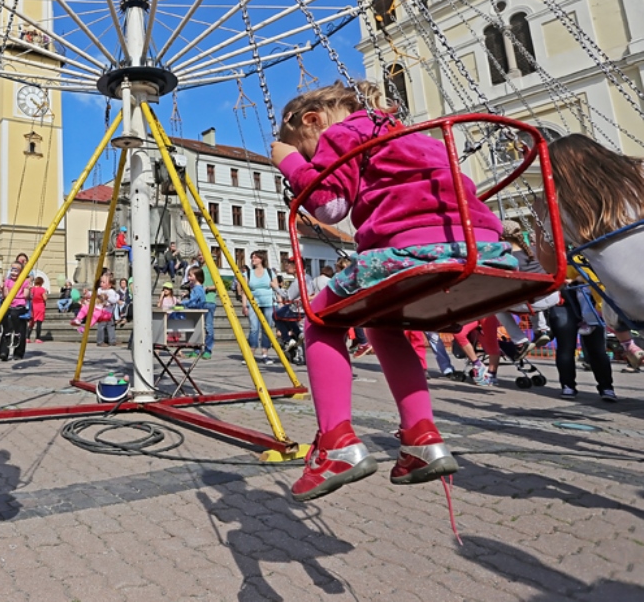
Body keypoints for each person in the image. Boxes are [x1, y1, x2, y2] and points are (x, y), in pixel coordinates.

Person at [270, 80, 517, 501]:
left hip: (411, 249)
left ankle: (336, 445)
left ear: (312, 120)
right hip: (481, 247)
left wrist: (291, 163)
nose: (314, 159)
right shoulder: (413, 137)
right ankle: (422, 439)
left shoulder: (341, 133)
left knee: (319, 320)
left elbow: (329, 205)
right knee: (383, 326)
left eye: (310, 151)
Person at [538, 133, 644, 399]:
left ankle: (628, 345)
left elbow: (550, 266)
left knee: (611, 308)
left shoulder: (560, 207)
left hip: (635, 302)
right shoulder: (638, 175)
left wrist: (541, 215)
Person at [245, 251, 278, 365]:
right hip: (253, 303)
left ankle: (265, 354)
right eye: (252, 257)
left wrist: (279, 301)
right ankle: (251, 354)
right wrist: (244, 305)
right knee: (254, 328)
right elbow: (245, 290)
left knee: (267, 328)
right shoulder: (248, 273)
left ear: (261, 259)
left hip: (268, 302)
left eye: (255, 257)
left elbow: (276, 287)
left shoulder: (269, 272)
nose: (253, 259)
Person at [179, 266, 216, 359]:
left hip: (208, 303)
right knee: (196, 328)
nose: (188, 277)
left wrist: (183, 303)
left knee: (208, 327)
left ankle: (207, 350)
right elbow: (196, 297)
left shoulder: (212, 268)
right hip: (199, 307)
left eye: (190, 276)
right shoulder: (196, 284)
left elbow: (195, 299)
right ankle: (196, 349)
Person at [0, 260, 30, 361]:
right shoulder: (8, 281)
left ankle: (18, 350)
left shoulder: (24, 281)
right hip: (9, 305)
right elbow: (6, 296)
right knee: (5, 318)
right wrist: (3, 288)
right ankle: (4, 351)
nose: (13, 272)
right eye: (12, 270)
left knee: (16, 317)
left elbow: (25, 295)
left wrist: (28, 288)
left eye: (16, 270)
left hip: (20, 306)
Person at [95, 273, 120, 347]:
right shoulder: (99, 290)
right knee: (101, 327)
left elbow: (114, 300)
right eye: (101, 282)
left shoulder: (111, 291)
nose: (101, 284)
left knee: (111, 326)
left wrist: (108, 299)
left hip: (109, 312)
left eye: (103, 282)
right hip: (102, 313)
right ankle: (100, 341)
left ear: (110, 285)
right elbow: (96, 297)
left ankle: (112, 340)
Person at [29, 276, 48, 343]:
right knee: (39, 323)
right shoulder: (42, 289)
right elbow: (45, 298)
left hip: (33, 306)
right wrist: (46, 293)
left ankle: (27, 337)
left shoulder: (32, 289)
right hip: (40, 306)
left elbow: (30, 297)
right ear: (41, 282)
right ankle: (37, 338)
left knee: (31, 323)